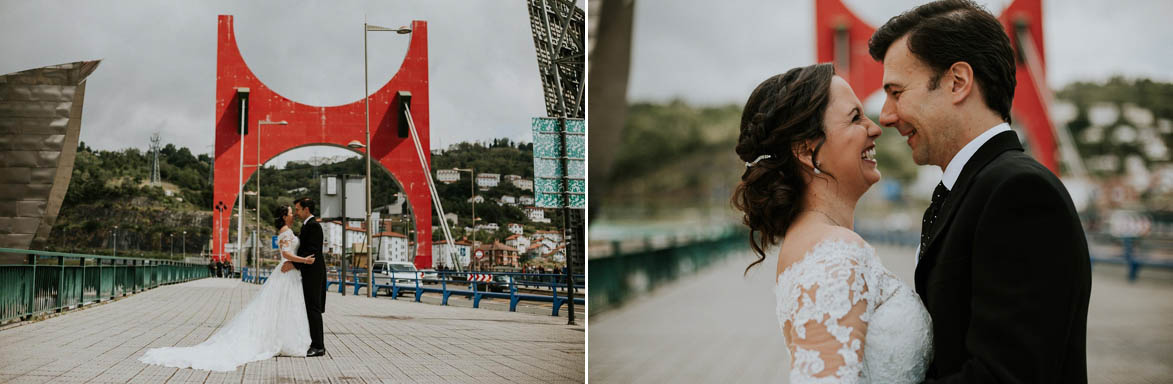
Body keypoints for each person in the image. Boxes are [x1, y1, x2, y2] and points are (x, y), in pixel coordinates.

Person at [868, 1, 1092, 382]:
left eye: (896, 91)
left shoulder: (1020, 194)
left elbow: (1005, 376)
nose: (885, 115)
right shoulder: (979, 187)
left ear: (958, 82)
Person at [733, 63, 932, 383]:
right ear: (807, 150)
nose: (876, 127)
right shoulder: (835, 253)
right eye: (855, 117)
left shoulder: (813, 243)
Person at [139, 205, 316, 371]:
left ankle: (284, 338)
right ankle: (284, 340)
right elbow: (285, 254)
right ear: (285, 216)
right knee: (283, 306)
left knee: (284, 306)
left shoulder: (288, 231)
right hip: (286, 271)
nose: (293, 215)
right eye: (291, 212)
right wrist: (304, 261)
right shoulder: (285, 231)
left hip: (289, 272)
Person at [284, 197, 327, 357]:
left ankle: (318, 346)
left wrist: (294, 264)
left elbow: (312, 251)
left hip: (313, 273)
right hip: (308, 272)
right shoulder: (307, 225)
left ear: (306, 209)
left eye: (298, 209)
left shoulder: (314, 226)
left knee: (313, 308)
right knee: (309, 308)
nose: (296, 212)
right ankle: (312, 342)